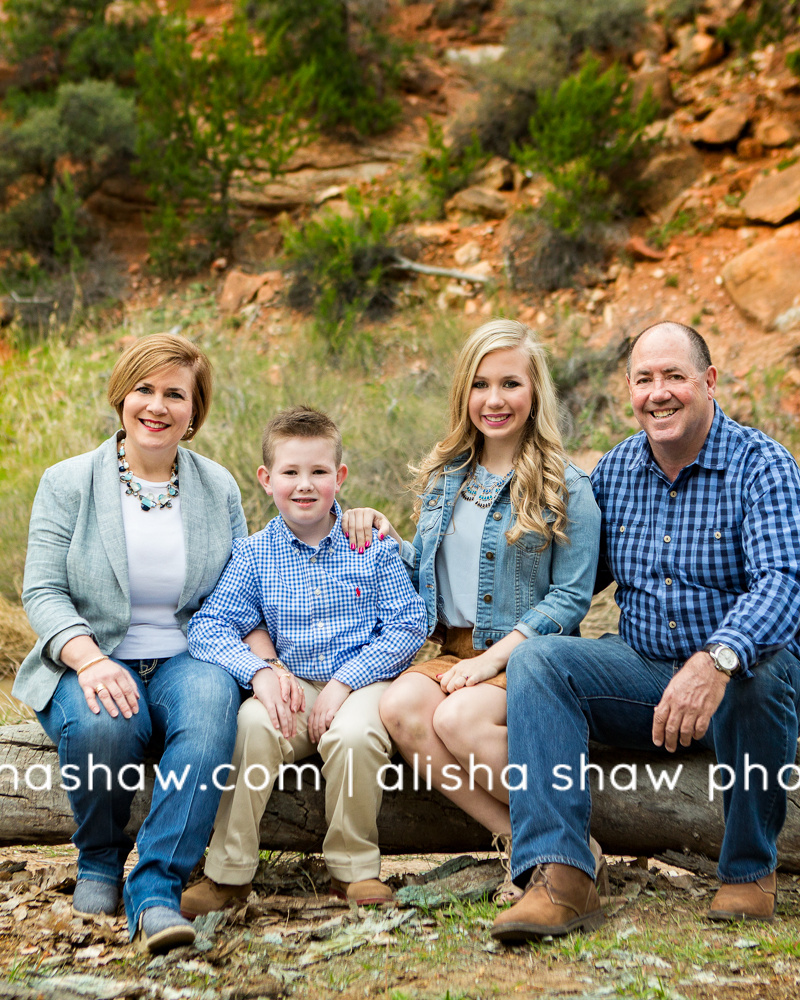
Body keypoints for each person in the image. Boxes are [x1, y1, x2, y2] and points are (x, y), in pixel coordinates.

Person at [492, 321, 800, 942]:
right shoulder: (617, 471)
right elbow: (569, 577)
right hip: (645, 675)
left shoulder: (762, 464)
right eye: (644, 379)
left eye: (675, 377)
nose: (659, 393)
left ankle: (748, 871)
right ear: (629, 390)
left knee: (761, 675)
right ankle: (562, 876)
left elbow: (784, 583)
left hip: (738, 684)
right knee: (543, 663)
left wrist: (716, 659)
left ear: (709, 382)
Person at [14, 333, 266, 954]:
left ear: (194, 410)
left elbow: (249, 580)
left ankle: (155, 888)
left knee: (211, 718)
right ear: (122, 397)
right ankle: (100, 857)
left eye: (174, 394)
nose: (157, 406)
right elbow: (42, 590)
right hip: (89, 654)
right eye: (144, 390)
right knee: (106, 726)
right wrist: (91, 659)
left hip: (190, 653)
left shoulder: (218, 487)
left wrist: (361, 523)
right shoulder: (68, 481)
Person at [343, 319, 601, 894]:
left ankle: (558, 835)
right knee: (404, 705)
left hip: (530, 658)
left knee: (456, 718)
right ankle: (526, 839)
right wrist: (388, 535)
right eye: (481, 384)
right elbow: (429, 576)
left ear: (535, 392)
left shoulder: (566, 484)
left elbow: (571, 598)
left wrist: (491, 662)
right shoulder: (445, 476)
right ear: (464, 391)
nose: (494, 400)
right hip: (452, 650)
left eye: (510, 383)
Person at [180, 405, 428, 916]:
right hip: (292, 683)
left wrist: (344, 683)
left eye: (318, 472)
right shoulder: (253, 555)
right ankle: (229, 873)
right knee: (251, 723)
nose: (305, 485)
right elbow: (209, 626)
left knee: (355, 736)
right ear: (267, 480)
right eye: (290, 472)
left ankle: (353, 870)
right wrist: (262, 672)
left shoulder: (370, 545)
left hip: (365, 680)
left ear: (339, 477)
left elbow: (409, 626)